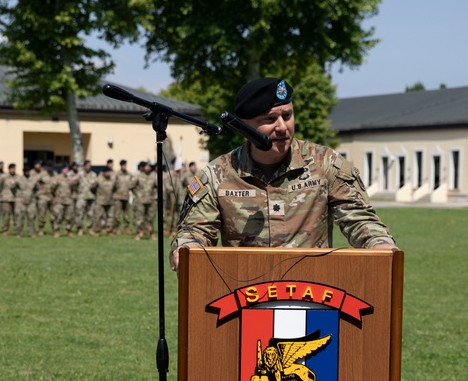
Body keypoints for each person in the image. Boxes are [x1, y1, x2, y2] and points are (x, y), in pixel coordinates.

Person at [171, 77, 397, 271]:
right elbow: (195, 230)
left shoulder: (325, 164)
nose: (282, 127)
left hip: (314, 292)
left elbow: (359, 219)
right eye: (269, 120)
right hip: (243, 295)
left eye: (287, 116)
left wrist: (379, 243)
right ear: (243, 126)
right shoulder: (217, 174)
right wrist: (187, 248)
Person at [132, 160, 158, 240]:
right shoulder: (139, 176)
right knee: (139, 218)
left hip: (151, 200)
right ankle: (138, 233)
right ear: (143, 167)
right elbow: (131, 186)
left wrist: (154, 196)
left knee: (150, 218)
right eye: (146, 166)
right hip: (140, 201)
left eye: (149, 166)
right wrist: (137, 194)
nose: (148, 168)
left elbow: (158, 187)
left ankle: (151, 234)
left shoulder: (154, 176)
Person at [113, 159, 133, 235]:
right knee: (117, 214)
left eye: (125, 165)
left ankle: (126, 228)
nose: (124, 166)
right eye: (123, 165)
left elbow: (132, 183)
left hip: (126, 196)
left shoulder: (129, 174)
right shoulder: (116, 174)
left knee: (127, 214)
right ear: (121, 165)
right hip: (118, 197)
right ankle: (117, 228)